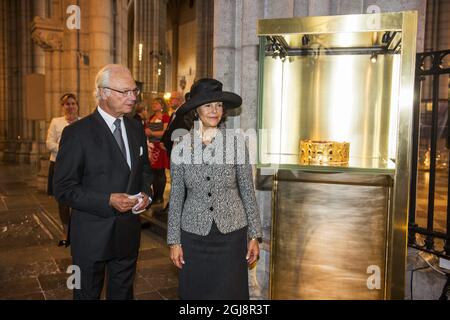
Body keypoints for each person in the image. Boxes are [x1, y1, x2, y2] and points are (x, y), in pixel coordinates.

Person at [53, 64, 152, 300]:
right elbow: (63, 189)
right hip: (91, 235)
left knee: (123, 294)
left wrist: (146, 194)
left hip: (127, 233)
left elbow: (145, 170)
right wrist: (107, 200)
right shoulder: (77, 133)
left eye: (134, 91)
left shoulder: (136, 127)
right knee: (86, 294)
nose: (132, 97)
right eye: (124, 92)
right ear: (104, 92)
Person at [167, 78, 263, 300]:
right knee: (195, 294)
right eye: (208, 105)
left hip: (232, 234)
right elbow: (177, 195)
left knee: (230, 294)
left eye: (218, 105)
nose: (214, 110)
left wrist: (254, 235)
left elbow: (247, 191)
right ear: (196, 110)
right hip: (194, 235)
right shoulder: (180, 146)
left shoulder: (236, 143)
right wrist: (174, 240)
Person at [46, 93, 80, 247]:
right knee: (62, 201)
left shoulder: (83, 122)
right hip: (59, 165)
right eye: (67, 104)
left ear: (77, 105)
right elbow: (49, 143)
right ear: (63, 106)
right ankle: (65, 231)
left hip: (78, 166)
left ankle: (77, 231)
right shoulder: (56, 122)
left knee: (79, 200)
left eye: (73, 103)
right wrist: (66, 151)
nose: (70, 106)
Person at [145, 97, 170, 205]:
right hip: (151, 146)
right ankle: (154, 195)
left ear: (162, 106)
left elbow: (164, 132)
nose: (154, 105)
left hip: (160, 146)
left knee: (160, 172)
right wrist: (149, 133)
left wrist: (152, 133)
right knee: (153, 172)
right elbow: (146, 130)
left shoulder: (165, 117)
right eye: (153, 103)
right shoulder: (151, 117)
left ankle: (159, 197)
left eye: (156, 103)